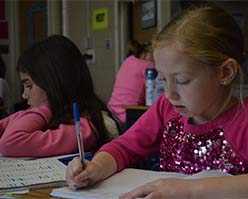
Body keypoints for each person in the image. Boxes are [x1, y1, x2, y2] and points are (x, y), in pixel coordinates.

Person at [66, 4, 248, 198]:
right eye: (162, 79)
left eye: (181, 81)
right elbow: (124, 147)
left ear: (225, 72)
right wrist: (96, 166)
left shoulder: (243, 121)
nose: (169, 93)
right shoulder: (166, 108)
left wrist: (189, 190)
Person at [0, 35, 118, 157]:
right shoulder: (51, 115)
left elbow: (10, 142)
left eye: (29, 86)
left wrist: (43, 109)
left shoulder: (87, 128)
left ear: (53, 85)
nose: (24, 95)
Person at [107, 40, 155, 127]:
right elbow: (152, 96)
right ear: (148, 53)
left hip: (111, 112)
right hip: (128, 116)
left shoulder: (128, 60)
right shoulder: (149, 66)